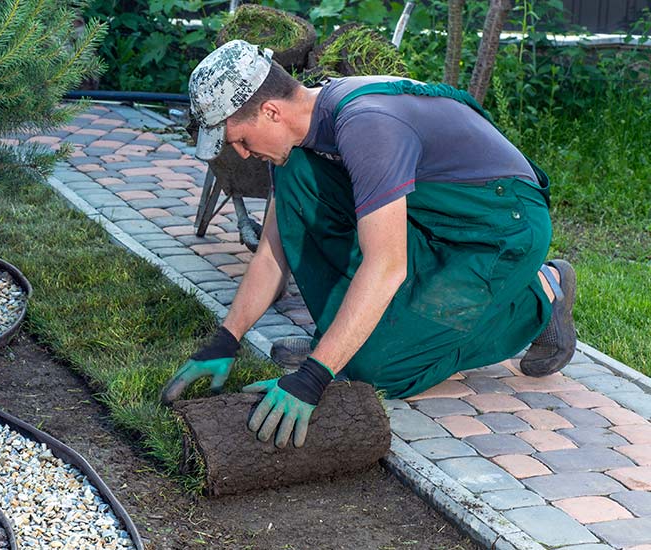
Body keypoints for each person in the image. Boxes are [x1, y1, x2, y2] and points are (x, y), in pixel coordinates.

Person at [160, 40, 577, 450]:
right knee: (297, 177)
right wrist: (227, 338)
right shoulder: (305, 132)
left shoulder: (366, 125)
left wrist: (314, 376)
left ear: (270, 111)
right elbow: (274, 251)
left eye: (240, 139)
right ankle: (347, 335)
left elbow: (386, 265)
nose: (243, 154)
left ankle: (539, 294)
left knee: (376, 370)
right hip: (433, 218)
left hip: (498, 230)